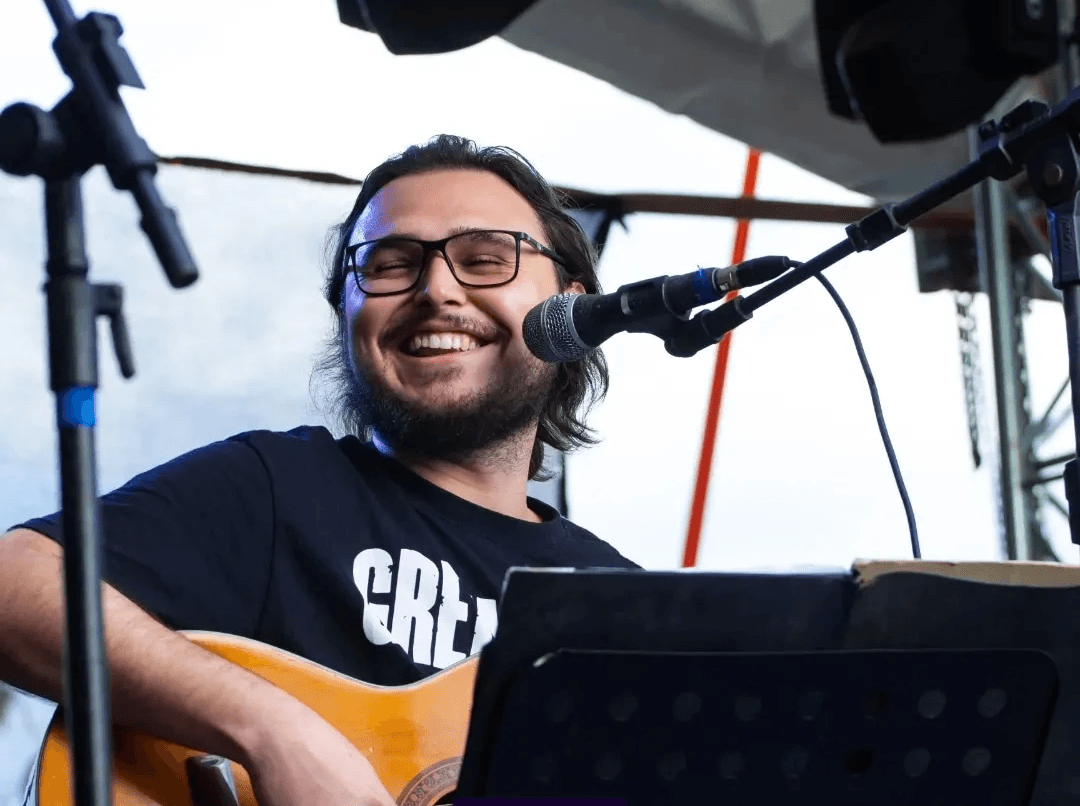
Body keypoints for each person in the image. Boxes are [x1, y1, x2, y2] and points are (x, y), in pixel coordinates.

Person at [0, 135, 638, 806]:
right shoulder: (277, 488)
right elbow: (16, 583)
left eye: (484, 259)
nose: (436, 289)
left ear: (573, 305)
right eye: (390, 265)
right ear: (347, 317)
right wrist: (276, 731)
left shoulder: (626, 610)